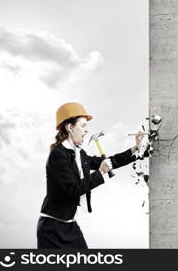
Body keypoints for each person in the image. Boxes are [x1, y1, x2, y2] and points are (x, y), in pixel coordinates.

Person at [37, 102, 146, 249]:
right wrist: (100, 172)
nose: (86, 131)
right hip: (51, 229)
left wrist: (135, 148)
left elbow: (109, 161)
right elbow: (73, 190)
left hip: (70, 225)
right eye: (83, 126)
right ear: (70, 127)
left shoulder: (79, 153)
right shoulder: (58, 155)